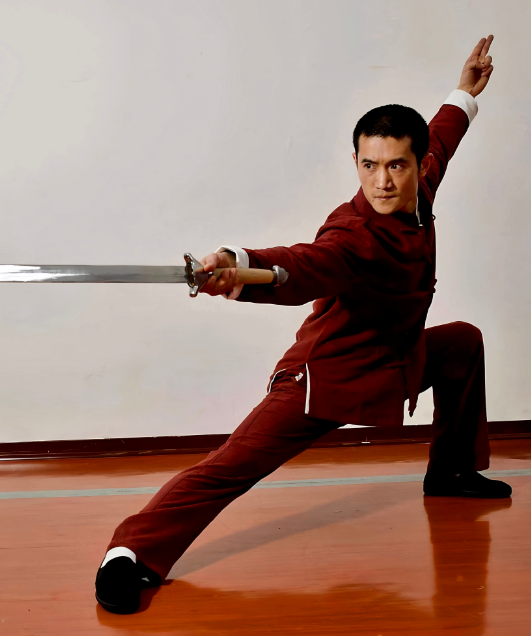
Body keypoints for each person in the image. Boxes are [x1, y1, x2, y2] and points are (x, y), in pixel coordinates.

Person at [95, 35, 511, 615]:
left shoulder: (422, 182)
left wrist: (464, 91)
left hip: (394, 361)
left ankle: (451, 471)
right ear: (355, 163)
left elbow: (443, 131)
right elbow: (303, 265)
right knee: (231, 467)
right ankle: (129, 553)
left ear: (419, 165)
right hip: (326, 379)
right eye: (369, 166)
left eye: (396, 165)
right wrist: (236, 265)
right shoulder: (354, 235)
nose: (382, 182)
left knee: (462, 342)